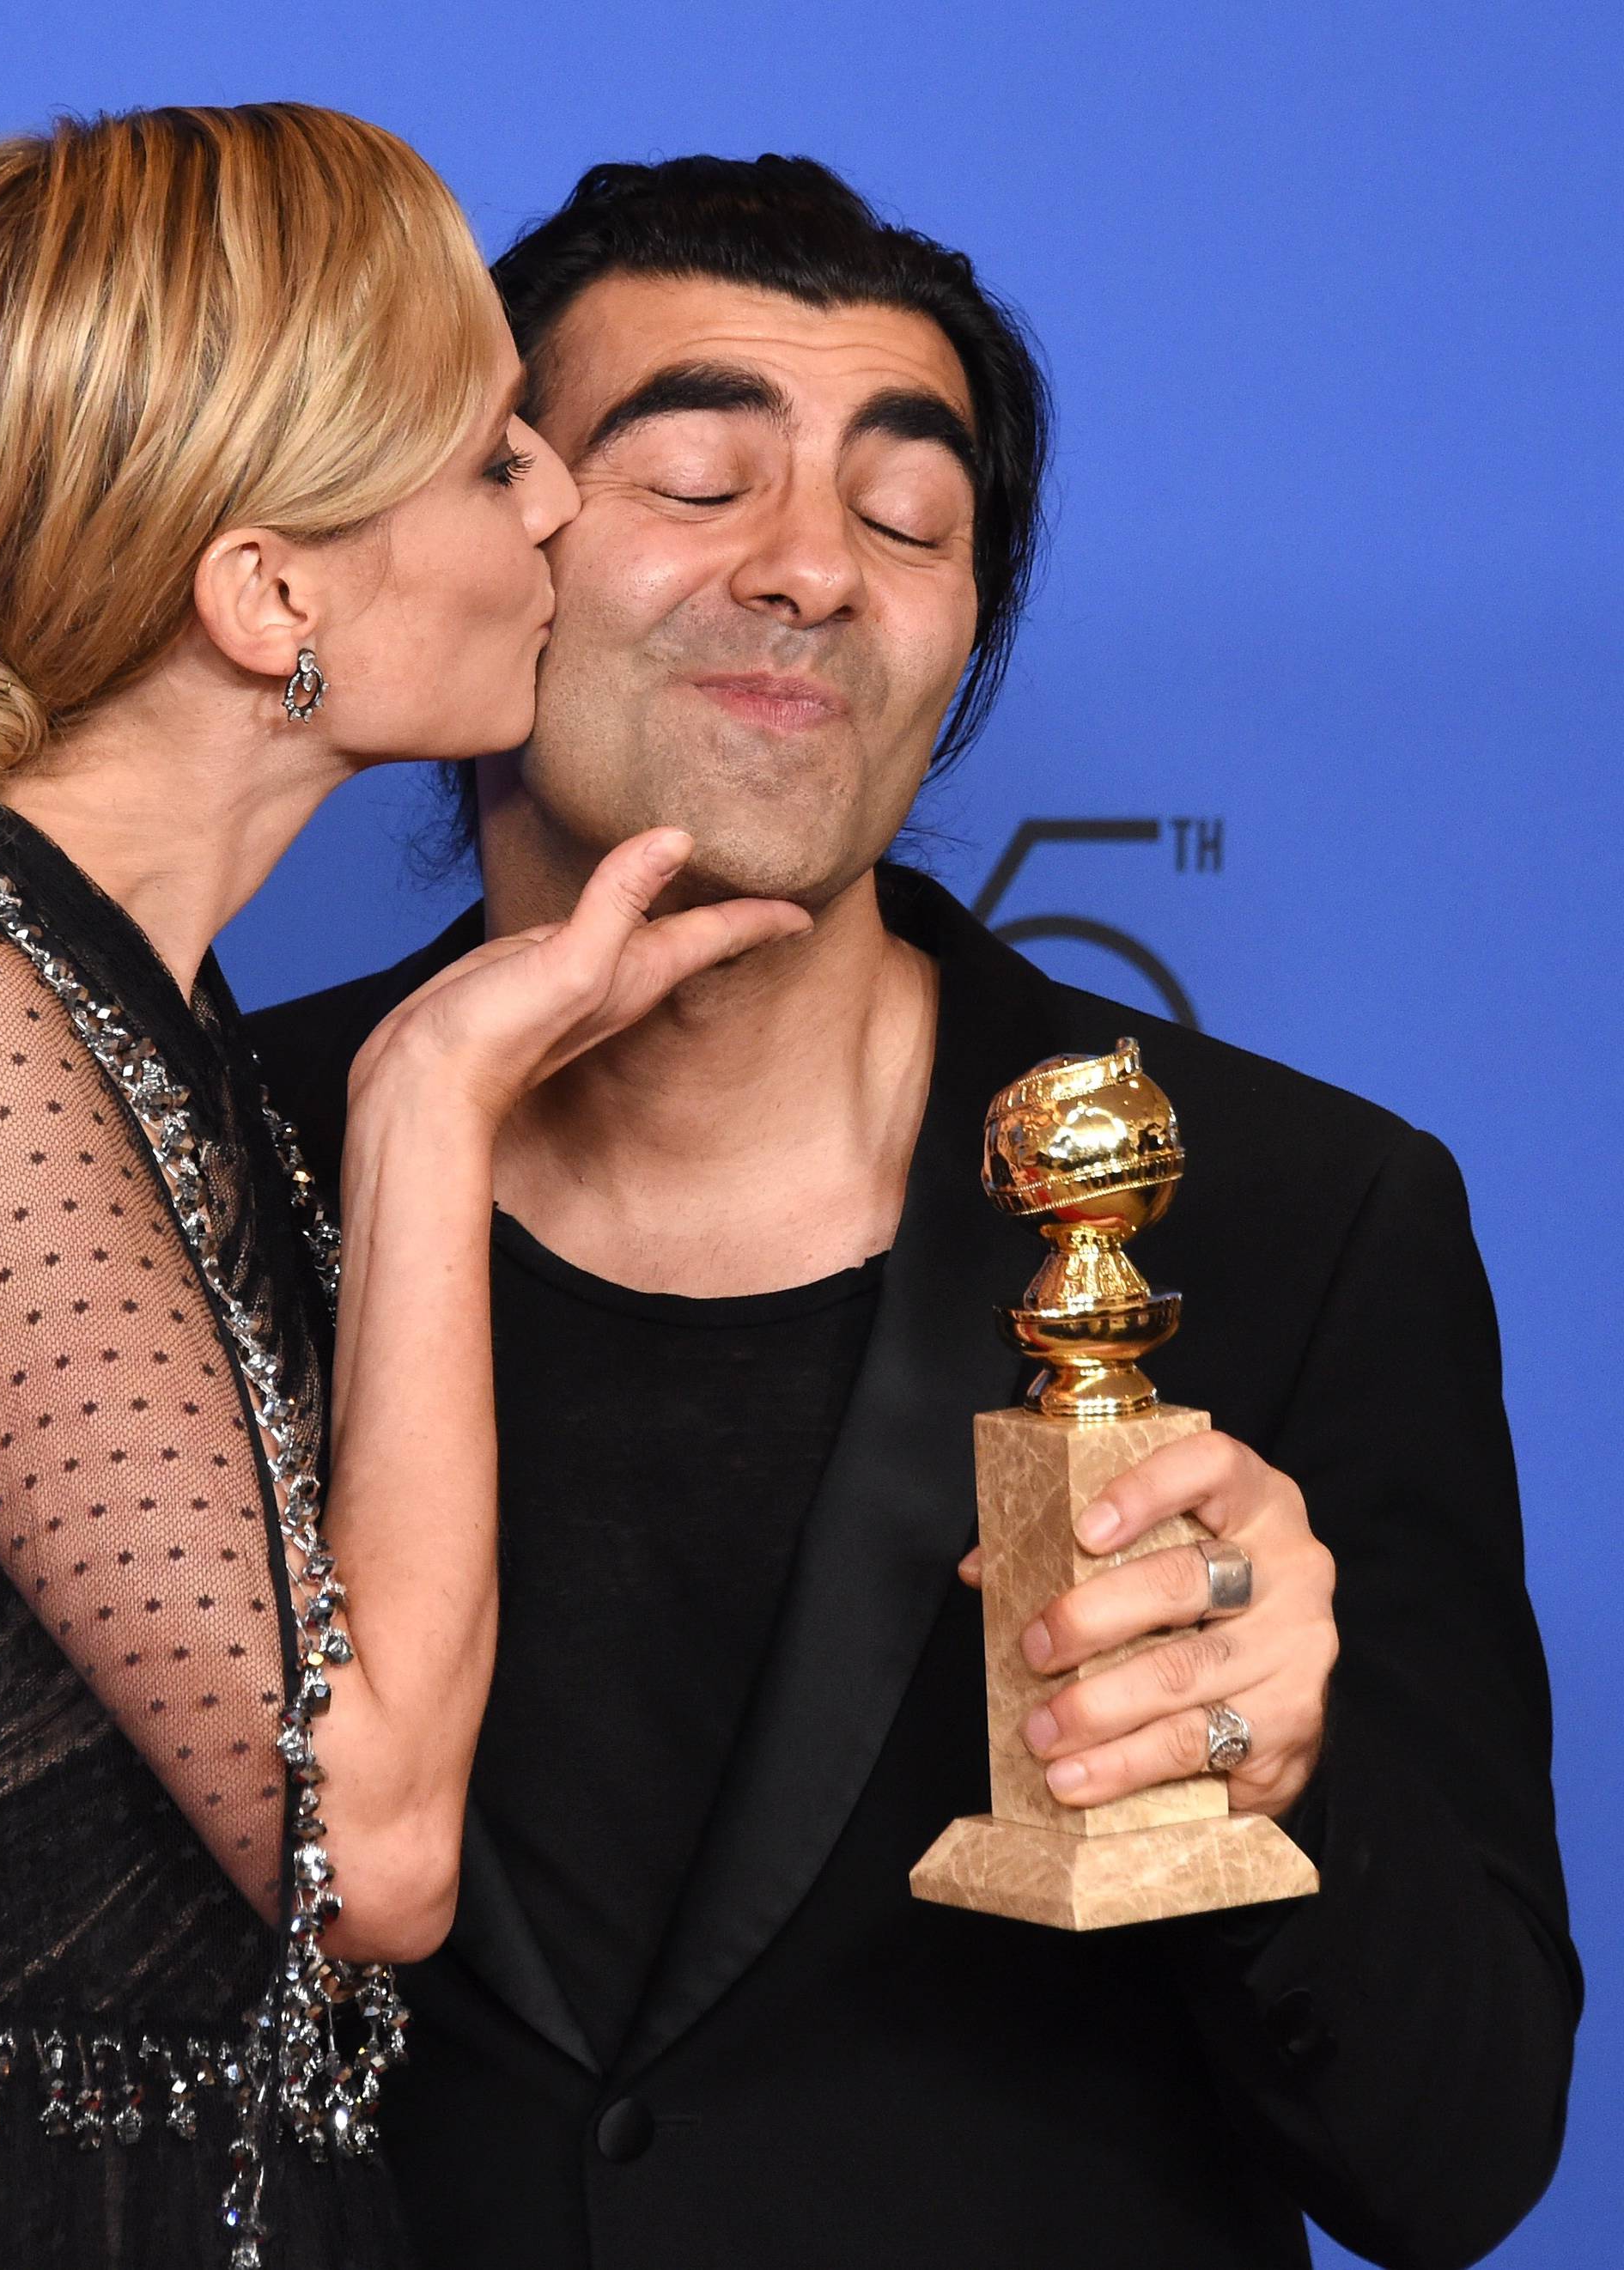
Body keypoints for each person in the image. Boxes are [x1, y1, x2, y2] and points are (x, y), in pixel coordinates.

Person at [251, 156, 1581, 2270]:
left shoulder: (1300, 1214)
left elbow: (1469, 2151)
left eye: (908, 519)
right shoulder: (198, 1162)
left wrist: (1285, 1770)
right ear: (480, 540)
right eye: (694, 476)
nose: (809, 572)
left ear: (962, 639)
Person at [0, 110, 805, 2270]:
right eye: (488, 460)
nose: (558, 504)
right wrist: (435, 1097)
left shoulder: (125, 1003)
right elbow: (367, 1838)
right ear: (267, 597)